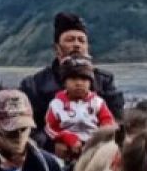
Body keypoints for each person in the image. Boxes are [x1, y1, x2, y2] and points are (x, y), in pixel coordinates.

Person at [20, 12, 125, 150]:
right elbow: (25, 128)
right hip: (51, 156)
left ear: (87, 47)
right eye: (70, 40)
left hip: (97, 152)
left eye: (81, 40)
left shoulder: (104, 81)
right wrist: (52, 145)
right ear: (57, 48)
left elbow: (117, 121)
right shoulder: (34, 85)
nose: (77, 45)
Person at [43, 56, 117, 161]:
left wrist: (100, 138)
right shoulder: (56, 104)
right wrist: (66, 138)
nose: (79, 83)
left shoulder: (97, 102)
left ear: (90, 83)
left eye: (84, 79)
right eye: (73, 79)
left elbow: (108, 121)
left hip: (94, 145)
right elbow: (50, 128)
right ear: (64, 82)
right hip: (67, 147)